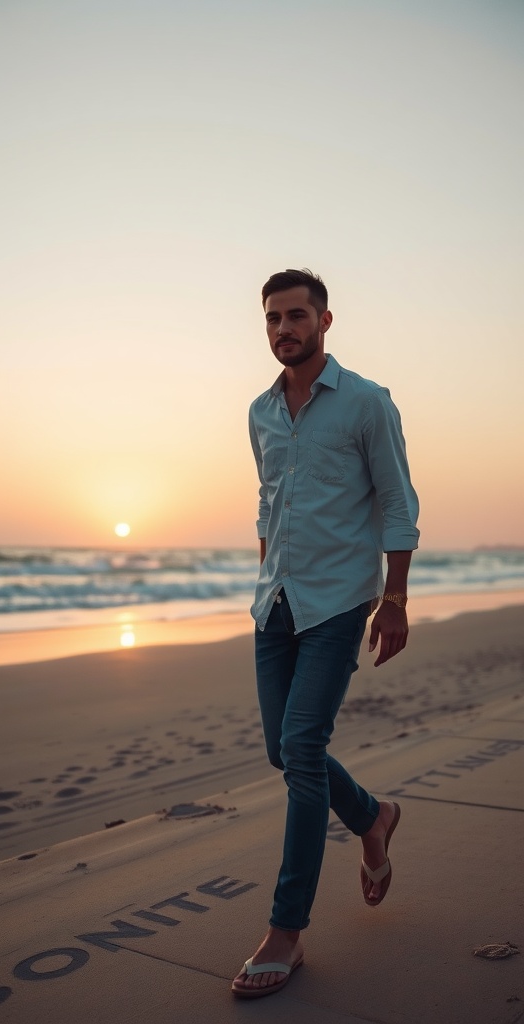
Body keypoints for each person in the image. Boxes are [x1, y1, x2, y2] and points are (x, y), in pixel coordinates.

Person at [232, 269, 419, 999]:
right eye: (274, 318)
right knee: (285, 749)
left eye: (297, 316)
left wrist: (395, 599)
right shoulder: (259, 412)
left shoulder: (368, 403)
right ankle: (375, 819)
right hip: (274, 605)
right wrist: (264, 577)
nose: (285, 328)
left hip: (340, 602)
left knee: (302, 751)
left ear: (325, 321)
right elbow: (266, 506)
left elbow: (399, 504)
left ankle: (287, 930)